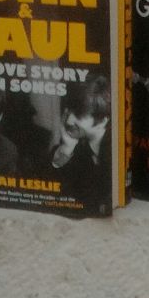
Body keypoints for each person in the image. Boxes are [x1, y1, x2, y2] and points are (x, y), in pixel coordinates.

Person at [48, 73, 112, 208]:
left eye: (79, 115)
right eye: (69, 111)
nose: (69, 120)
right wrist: (66, 149)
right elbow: (51, 196)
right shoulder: (70, 145)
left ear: (102, 121)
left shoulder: (116, 149)